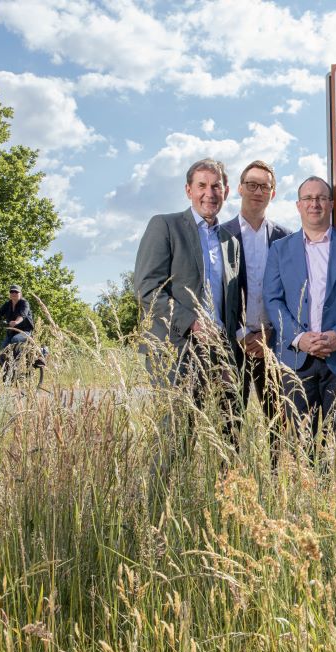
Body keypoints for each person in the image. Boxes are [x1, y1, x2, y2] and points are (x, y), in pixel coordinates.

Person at [134, 158, 243, 479]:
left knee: (229, 437)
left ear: (224, 191)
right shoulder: (165, 226)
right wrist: (192, 321)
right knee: (176, 438)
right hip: (176, 350)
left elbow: (233, 301)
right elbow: (147, 288)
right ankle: (157, 510)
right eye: (202, 186)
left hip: (221, 354)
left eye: (216, 186)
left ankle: (223, 510)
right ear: (188, 190)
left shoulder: (230, 241)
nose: (209, 193)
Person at [262, 176, 336, 450]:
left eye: (321, 198)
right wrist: (299, 337)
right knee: (298, 443)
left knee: (335, 443)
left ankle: (333, 494)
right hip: (296, 359)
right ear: (298, 205)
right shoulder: (280, 250)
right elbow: (273, 299)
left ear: (331, 204)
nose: (314, 204)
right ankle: (305, 493)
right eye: (308, 198)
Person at [221, 160, 291, 455]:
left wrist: (270, 335)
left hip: (272, 344)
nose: (257, 191)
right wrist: (240, 334)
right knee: (229, 426)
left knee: (279, 426)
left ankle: (277, 488)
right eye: (252, 184)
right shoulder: (220, 235)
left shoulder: (286, 238)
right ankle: (230, 490)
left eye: (264, 186)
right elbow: (213, 293)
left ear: (272, 193)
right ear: (239, 188)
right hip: (231, 344)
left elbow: (292, 294)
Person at [0, 285, 34, 349]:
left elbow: (22, 315)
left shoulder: (24, 303)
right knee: (2, 350)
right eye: (12, 292)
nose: (14, 293)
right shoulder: (7, 304)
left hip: (25, 331)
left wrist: (16, 322)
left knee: (15, 339)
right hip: (12, 332)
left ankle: (19, 358)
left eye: (16, 292)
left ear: (20, 294)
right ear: (9, 294)